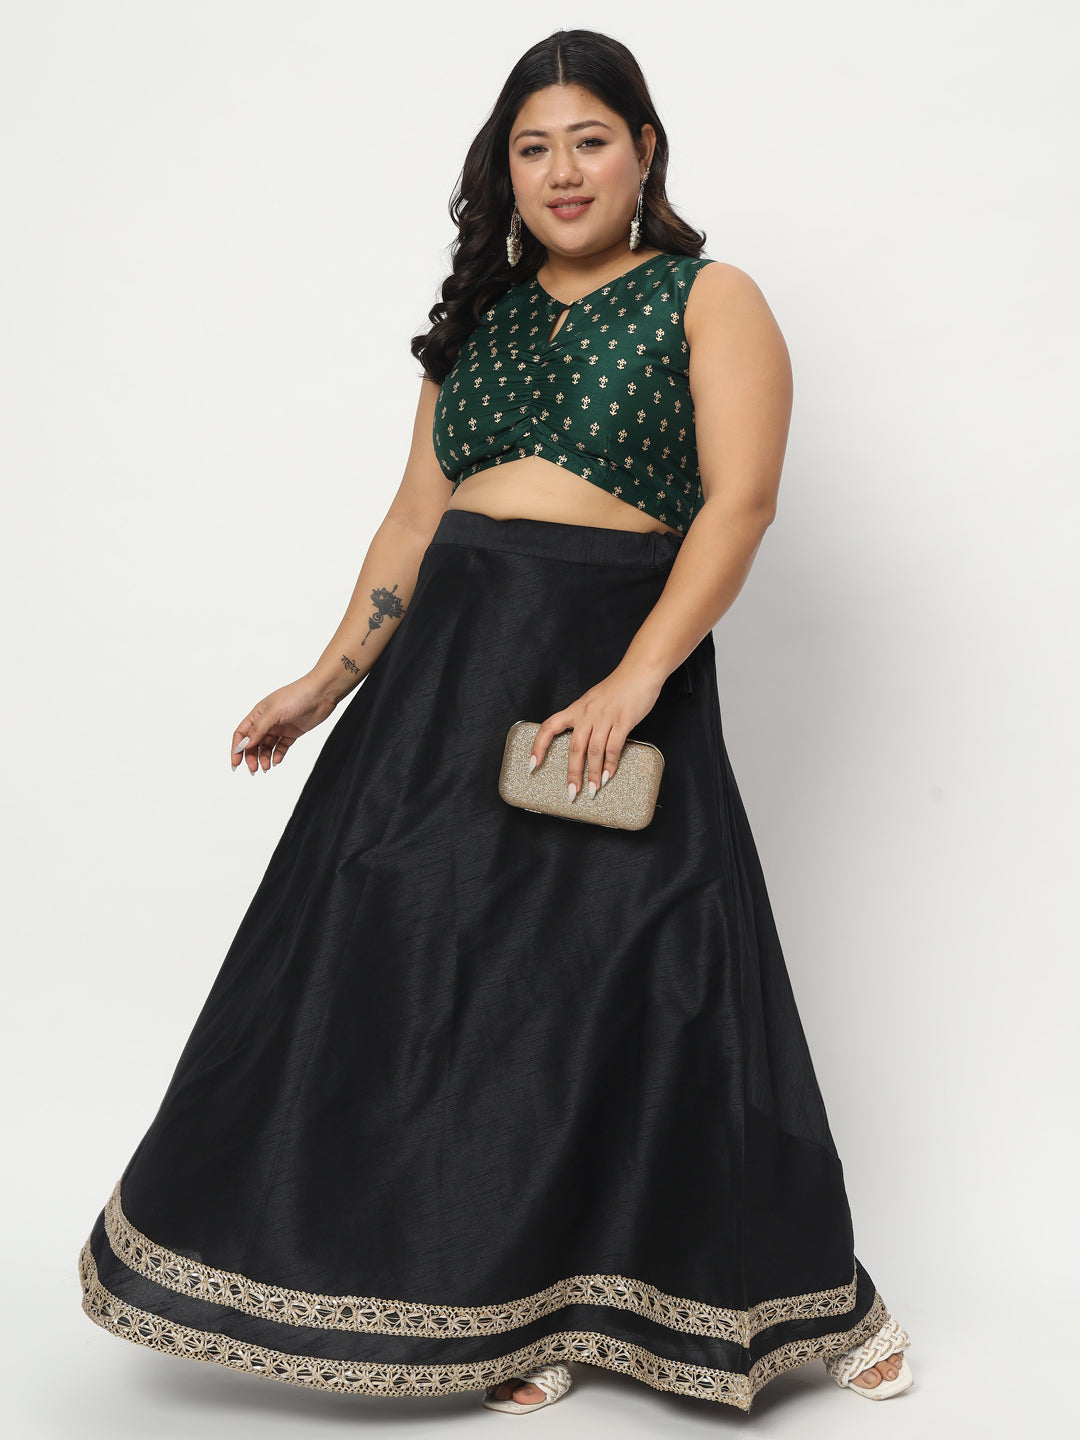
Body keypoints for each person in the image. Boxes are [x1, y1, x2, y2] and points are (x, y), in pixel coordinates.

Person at [78, 28, 914, 1417]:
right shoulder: (478, 318)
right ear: (504, 172)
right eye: (534, 148)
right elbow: (416, 520)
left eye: (589, 139)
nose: (562, 170)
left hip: (607, 671)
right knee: (437, 984)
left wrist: (637, 678)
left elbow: (741, 503)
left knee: (651, 983)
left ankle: (817, 1302)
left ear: (645, 150)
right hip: (442, 690)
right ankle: (512, 1310)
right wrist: (325, 679)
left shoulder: (711, 299)